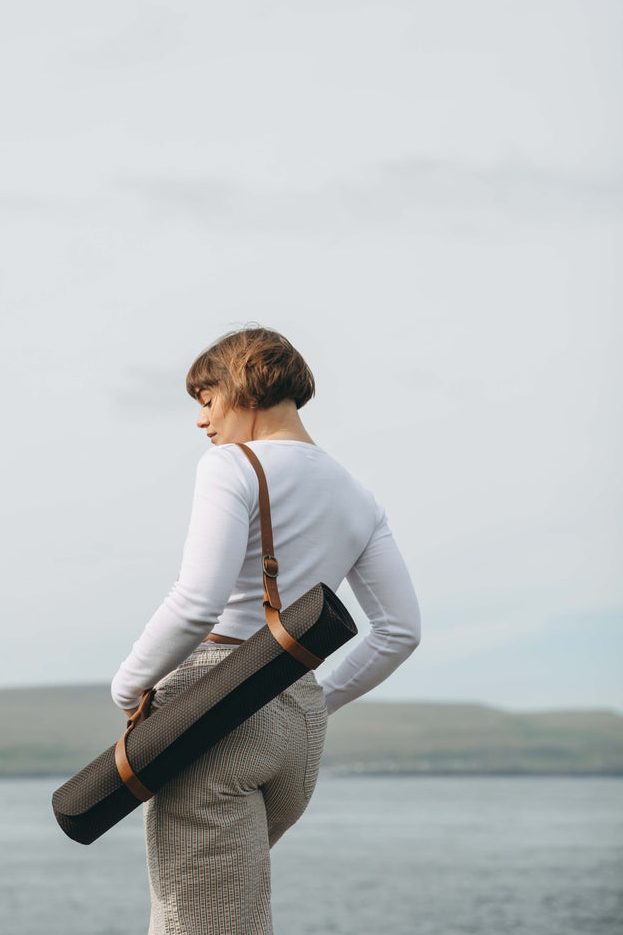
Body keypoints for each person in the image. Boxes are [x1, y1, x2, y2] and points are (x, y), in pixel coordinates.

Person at [111, 326, 421, 935]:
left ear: (244, 385)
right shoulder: (358, 495)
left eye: (206, 400)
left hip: (213, 706)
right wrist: (316, 701)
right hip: (297, 729)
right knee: (239, 913)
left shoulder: (230, 465)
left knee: (195, 920)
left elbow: (199, 602)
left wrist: (128, 686)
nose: (202, 422)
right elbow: (400, 631)